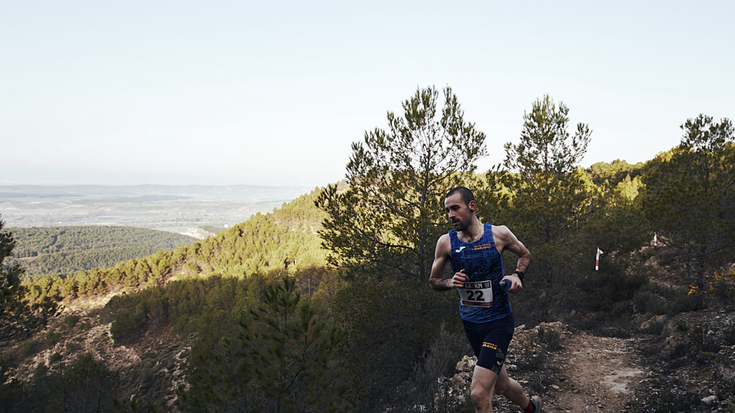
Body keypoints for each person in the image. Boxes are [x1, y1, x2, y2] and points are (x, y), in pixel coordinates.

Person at [429, 187, 541, 413]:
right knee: (501, 385)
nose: (450, 215)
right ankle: (532, 407)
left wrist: (516, 275)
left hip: (498, 322)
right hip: (471, 325)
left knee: (479, 394)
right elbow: (433, 280)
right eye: (447, 210)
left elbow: (525, 255)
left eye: (455, 208)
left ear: (472, 206)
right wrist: (450, 282)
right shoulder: (446, 243)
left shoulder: (498, 234)